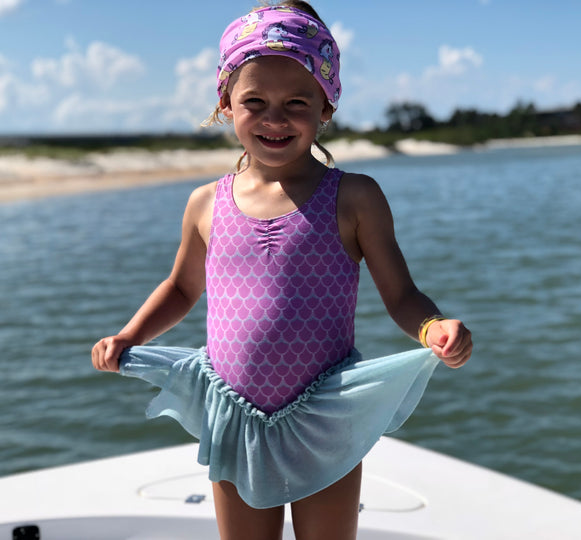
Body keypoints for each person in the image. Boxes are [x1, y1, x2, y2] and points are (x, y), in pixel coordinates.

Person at [92, 2, 472, 539]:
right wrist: (129, 334)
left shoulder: (354, 197)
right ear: (226, 104)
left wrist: (434, 327)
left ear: (327, 106)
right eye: (255, 101)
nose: (275, 117)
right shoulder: (206, 204)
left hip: (324, 415)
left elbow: (401, 293)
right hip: (232, 413)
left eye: (297, 101)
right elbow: (181, 288)